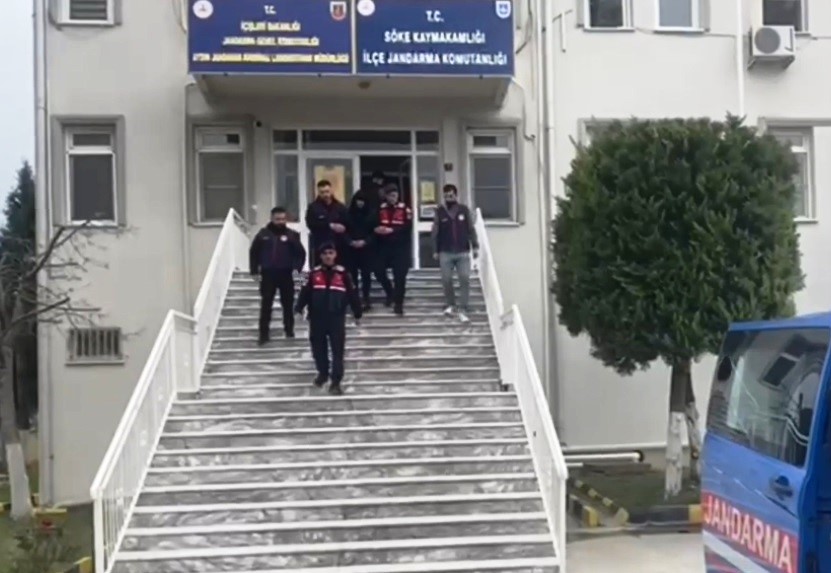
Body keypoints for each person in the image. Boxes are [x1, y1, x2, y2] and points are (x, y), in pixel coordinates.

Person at [295, 243, 362, 396]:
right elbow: (304, 293)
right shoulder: (312, 274)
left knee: (338, 351)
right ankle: (323, 373)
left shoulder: (344, 274)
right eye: (325, 253)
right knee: (318, 349)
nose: (328, 256)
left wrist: (357, 313)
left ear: (335, 255)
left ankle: (336, 382)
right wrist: (298, 309)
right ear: (320, 256)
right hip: (317, 318)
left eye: (330, 253)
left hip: (336, 318)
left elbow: (352, 294)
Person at [249, 206, 306, 343]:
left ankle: (289, 331)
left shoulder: (292, 235)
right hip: (268, 273)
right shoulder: (263, 234)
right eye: (277, 219)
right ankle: (263, 334)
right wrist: (254, 271)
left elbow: (300, 254)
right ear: (271, 219)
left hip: (287, 274)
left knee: (288, 304)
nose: (280, 222)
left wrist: (296, 270)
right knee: (266, 303)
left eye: (282, 219)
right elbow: (254, 253)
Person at [431, 184, 479, 323]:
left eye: (451, 195)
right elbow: (435, 232)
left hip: (462, 251)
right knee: (446, 279)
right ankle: (451, 304)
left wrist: (475, 246)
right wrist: (435, 250)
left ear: (456, 195)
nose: (449, 198)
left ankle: (463, 307)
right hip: (445, 252)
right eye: (446, 196)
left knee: (464, 278)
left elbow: (471, 229)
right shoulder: (439, 212)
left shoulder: (463, 210)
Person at [374, 184, 412, 315]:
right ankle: (390, 292)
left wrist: (392, 230)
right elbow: (373, 223)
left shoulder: (405, 209)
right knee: (378, 270)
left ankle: (398, 304)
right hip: (384, 246)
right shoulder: (380, 208)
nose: (392, 198)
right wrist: (377, 229)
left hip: (400, 248)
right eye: (390, 195)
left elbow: (408, 227)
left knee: (400, 276)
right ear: (386, 196)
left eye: (394, 195)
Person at [305, 179, 349, 266]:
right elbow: (311, 224)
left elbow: (347, 223)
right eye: (322, 192)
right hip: (320, 244)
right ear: (318, 192)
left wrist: (343, 228)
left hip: (338, 245)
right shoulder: (313, 207)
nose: (325, 195)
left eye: (327, 191)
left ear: (331, 190)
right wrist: (329, 225)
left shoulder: (340, 207)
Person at [347, 189, 375, 310]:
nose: (360, 203)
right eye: (358, 200)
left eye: (362, 201)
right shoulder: (348, 214)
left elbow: (374, 232)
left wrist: (365, 241)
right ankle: (355, 299)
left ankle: (366, 298)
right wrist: (350, 242)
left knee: (366, 275)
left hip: (366, 249)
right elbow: (344, 231)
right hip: (351, 249)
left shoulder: (371, 215)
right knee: (352, 275)